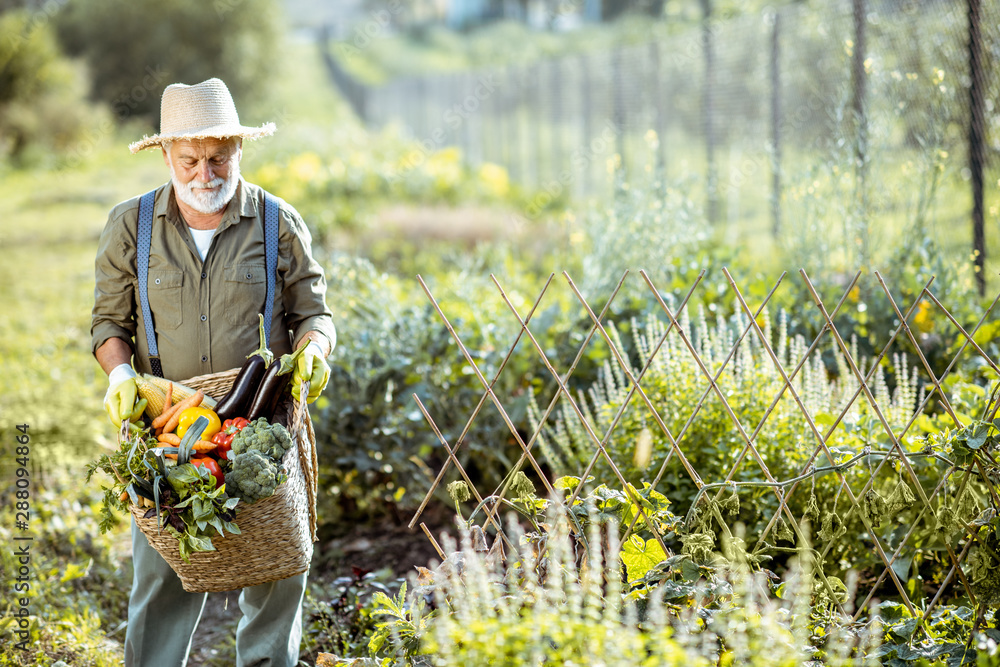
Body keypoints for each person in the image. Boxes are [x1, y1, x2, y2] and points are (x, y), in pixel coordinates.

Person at [90, 77, 336, 666]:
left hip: (260, 425)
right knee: (160, 578)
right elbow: (107, 324)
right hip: (168, 432)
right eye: (190, 159)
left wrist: (315, 351)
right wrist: (120, 376)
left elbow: (314, 313)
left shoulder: (277, 221)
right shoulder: (132, 225)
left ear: (239, 152)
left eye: (219, 158)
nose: (205, 173)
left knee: (278, 572)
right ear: (167, 156)